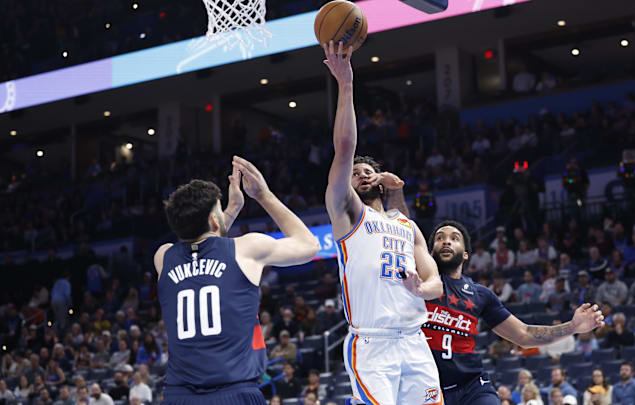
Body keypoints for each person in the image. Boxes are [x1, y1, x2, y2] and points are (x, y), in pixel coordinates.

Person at [322, 40, 443, 405]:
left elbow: (435, 281)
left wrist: (422, 291)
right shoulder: (348, 212)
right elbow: (344, 149)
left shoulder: (404, 225)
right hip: (373, 343)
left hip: (414, 340)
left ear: (380, 178)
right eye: (354, 172)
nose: (359, 174)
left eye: (367, 170)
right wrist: (346, 85)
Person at [154, 157, 319, 405]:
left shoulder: (163, 257)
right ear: (213, 220)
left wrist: (229, 211)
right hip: (235, 392)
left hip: (179, 395)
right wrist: (264, 196)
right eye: (219, 210)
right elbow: (309, 245)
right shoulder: (246, 248)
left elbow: (203, 241)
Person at [407, 220, 604, 405]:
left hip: (473, 386)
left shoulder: (479, 294)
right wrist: (396, 191)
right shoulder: (419, 283)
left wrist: (573, 327)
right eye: (440, 238)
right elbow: (405, 230)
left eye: (454, 238)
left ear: (466, 254)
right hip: (429, 388)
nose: (446, 241)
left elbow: (524, 335)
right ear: (429, 252)